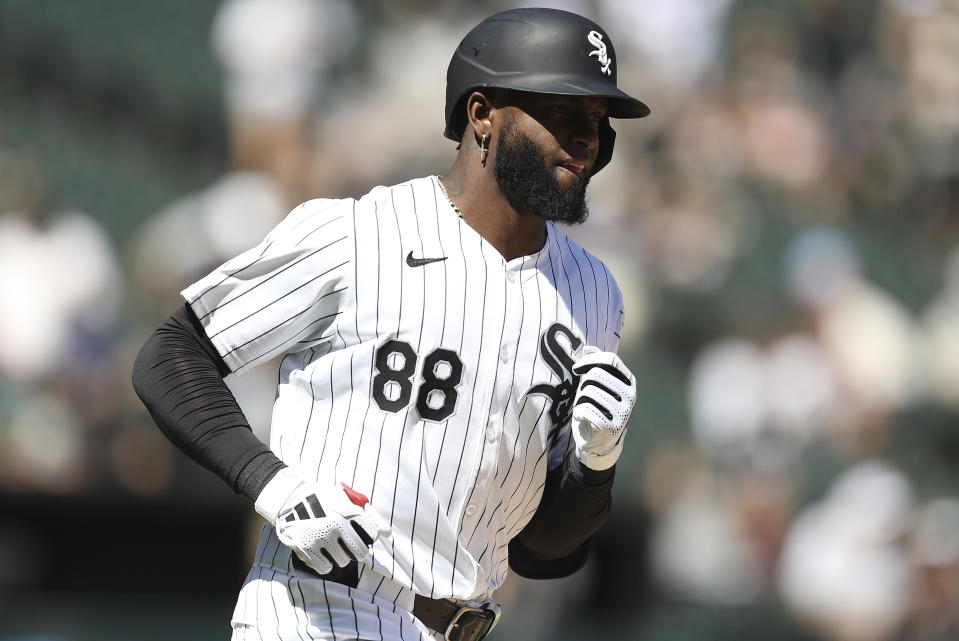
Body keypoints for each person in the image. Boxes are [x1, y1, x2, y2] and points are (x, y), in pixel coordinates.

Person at [132, 7, 647, 641]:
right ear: (483, 114)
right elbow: (171, 355)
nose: (586, 139)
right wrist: (273, 485)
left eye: (596, 121)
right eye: (562, 114)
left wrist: (596, 463)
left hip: (461, 624)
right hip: (315, 612)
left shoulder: (594, 293)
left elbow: (545, 553)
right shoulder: (356, 234)